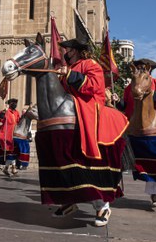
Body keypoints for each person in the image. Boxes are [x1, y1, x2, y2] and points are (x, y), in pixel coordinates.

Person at [49, 38, 128, 226]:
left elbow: (94, 86)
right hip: (71, 110)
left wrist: (70, 75)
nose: (64, 53)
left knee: (87, 164)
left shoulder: (90, 64)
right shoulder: (70, 66)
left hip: (90, 108)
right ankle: (69, 201)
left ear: (75, 50)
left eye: (66, 49)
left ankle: (102, 206)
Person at [112, 58, 156, 208]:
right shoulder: (129, 87)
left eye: (143, 68)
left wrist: (152, 92)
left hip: (155, 126)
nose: (140, 70)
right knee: (121, 154)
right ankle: (112, 186)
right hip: (133, 126)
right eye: (137, 67)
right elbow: (126, 106)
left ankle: (155, 194)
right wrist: (117, 101)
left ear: (149, 70)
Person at [0, 98, 20, 176]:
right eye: (13, 103)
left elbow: (19, 121)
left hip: (14, 133)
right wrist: (3, 113)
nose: (15, 105)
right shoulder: (5, 112)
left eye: (16, 103)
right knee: (10, 151)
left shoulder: (17, 112)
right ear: (10, 104)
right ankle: (13, 168)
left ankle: (7, 168)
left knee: (14, 152)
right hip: (6, 133)